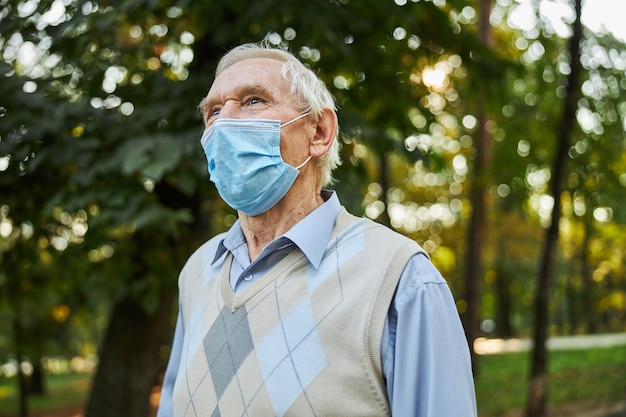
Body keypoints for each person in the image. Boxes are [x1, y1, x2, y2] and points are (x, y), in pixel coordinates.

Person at [157, 40, 477, 417]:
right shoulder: (198, 271)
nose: (224, 122)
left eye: (254, 100)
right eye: (213, 111)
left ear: (319, 132)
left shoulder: (400, 279)